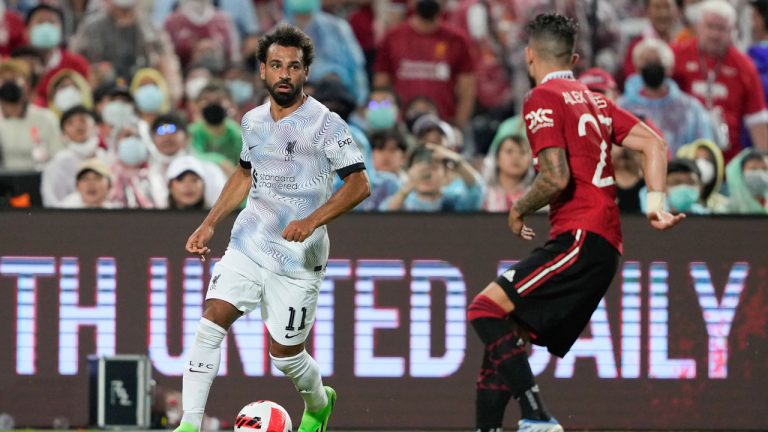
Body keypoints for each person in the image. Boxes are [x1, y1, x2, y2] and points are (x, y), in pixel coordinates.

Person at [467, 14, 684, 432]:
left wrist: (518, 208)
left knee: (483, 309)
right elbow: (653, 144)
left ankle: (537, 416)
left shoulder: (541, 98)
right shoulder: (597, 101)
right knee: (501, 339)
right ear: (575, 57)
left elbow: (555, 177)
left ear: (530, 57)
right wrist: (655, 204)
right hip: (604, 244)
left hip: (580, 236)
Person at [174, 25, 370, 432]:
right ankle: (189, 425)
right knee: (212, 319)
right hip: (248, 242)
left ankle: (319, 403)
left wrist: (311, 220)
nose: (285, 74)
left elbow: (359, 184)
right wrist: (209, 223)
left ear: (305, 73)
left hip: (299, 259)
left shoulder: (326, 125)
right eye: (276, 65)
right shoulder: (252, 122)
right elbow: (245, 174)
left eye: (294, 67)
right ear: (262, 71)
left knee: (284, 356)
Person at [671, 0, 768, 160]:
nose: (715, 34)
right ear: (697, 27)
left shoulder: (744, 66)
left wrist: (765, 163)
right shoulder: (676, 55)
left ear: (732, 31)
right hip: (683, 158)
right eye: (710, 26)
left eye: (722, 29)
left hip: (729, 159)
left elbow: (757, 120)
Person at [374, 0, 477, 128]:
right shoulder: (392, 37)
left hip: (442, 127)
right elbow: (381, 86)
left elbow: (467, 90)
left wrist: (458, 128)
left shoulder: (457, 40)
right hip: (402, 128)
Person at [619, 37, 714, 153]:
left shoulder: (690, 109)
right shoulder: (623, 108)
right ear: (637, 67)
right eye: (647, 62)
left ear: (669, 68)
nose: (652, 67)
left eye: (657, 62)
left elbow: (704, 149)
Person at [0, 59, 63, 170]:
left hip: (39, 180)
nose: (9, 85)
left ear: (27, 85)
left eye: (15, 80)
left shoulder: (46, 118)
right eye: (4, 80)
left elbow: (58, 158)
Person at [41, 106, 107, 207]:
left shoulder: (108, 158)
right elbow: (51, 203)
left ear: (96, 127)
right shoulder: (56, 165)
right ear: (63, 135)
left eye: (82, 120)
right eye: (70, 123)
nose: (78, 126)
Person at [725, 149, 768, 213]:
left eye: (764, 169)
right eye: (753, 169)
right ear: (740, 173)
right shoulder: (728, 209)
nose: (760, 173)